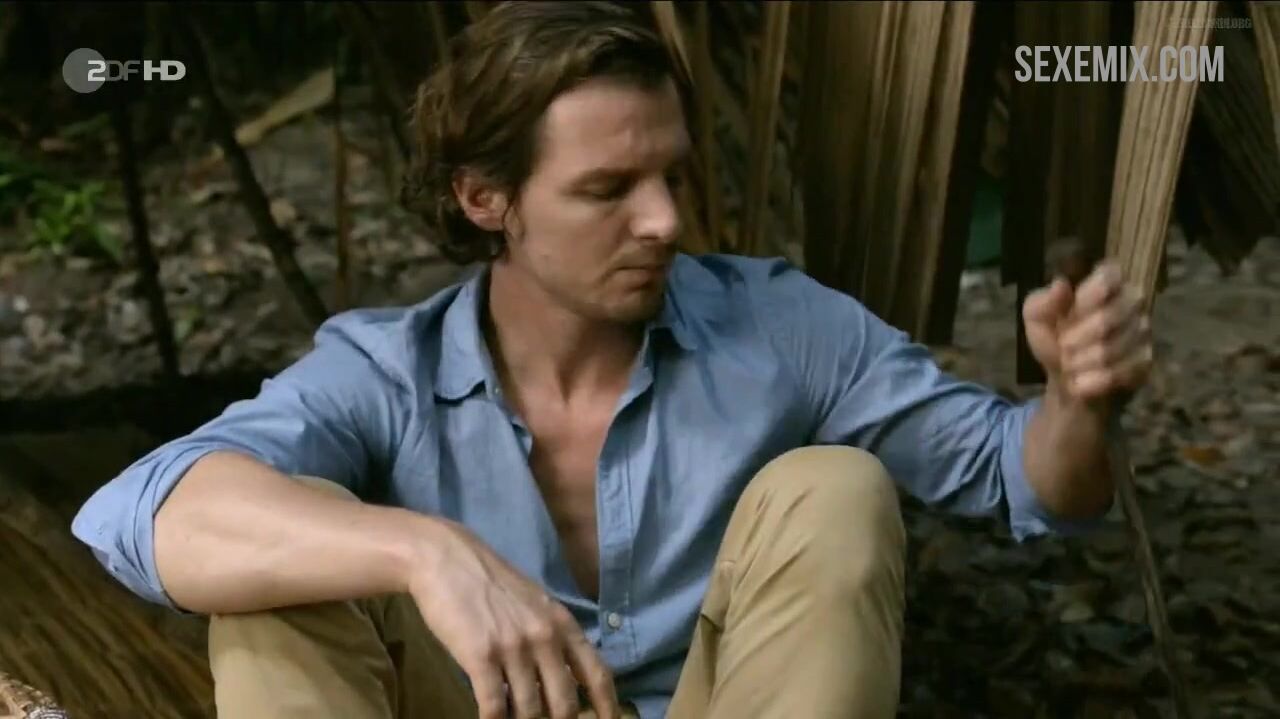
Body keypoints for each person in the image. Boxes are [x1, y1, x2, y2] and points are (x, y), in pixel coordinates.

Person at [71, 3, 1154, 718]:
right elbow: (137, 512)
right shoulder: (386, 370)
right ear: (485, 198)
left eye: (670, 176)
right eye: (607, 190)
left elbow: (1029, 483)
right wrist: (425, 552)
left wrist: (1076, 401)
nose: (664, 220)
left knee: (834, 487)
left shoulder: (777, 324)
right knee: (288, 553)